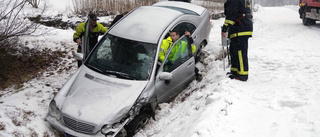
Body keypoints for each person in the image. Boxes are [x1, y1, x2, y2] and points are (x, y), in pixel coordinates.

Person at [221, 0, 253, 81]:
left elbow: (231, 14)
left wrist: (225, 28)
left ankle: (242, 75)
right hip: (240, 27)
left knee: (240, 52)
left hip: (241, 28)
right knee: (234, 50)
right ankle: (235, 71)